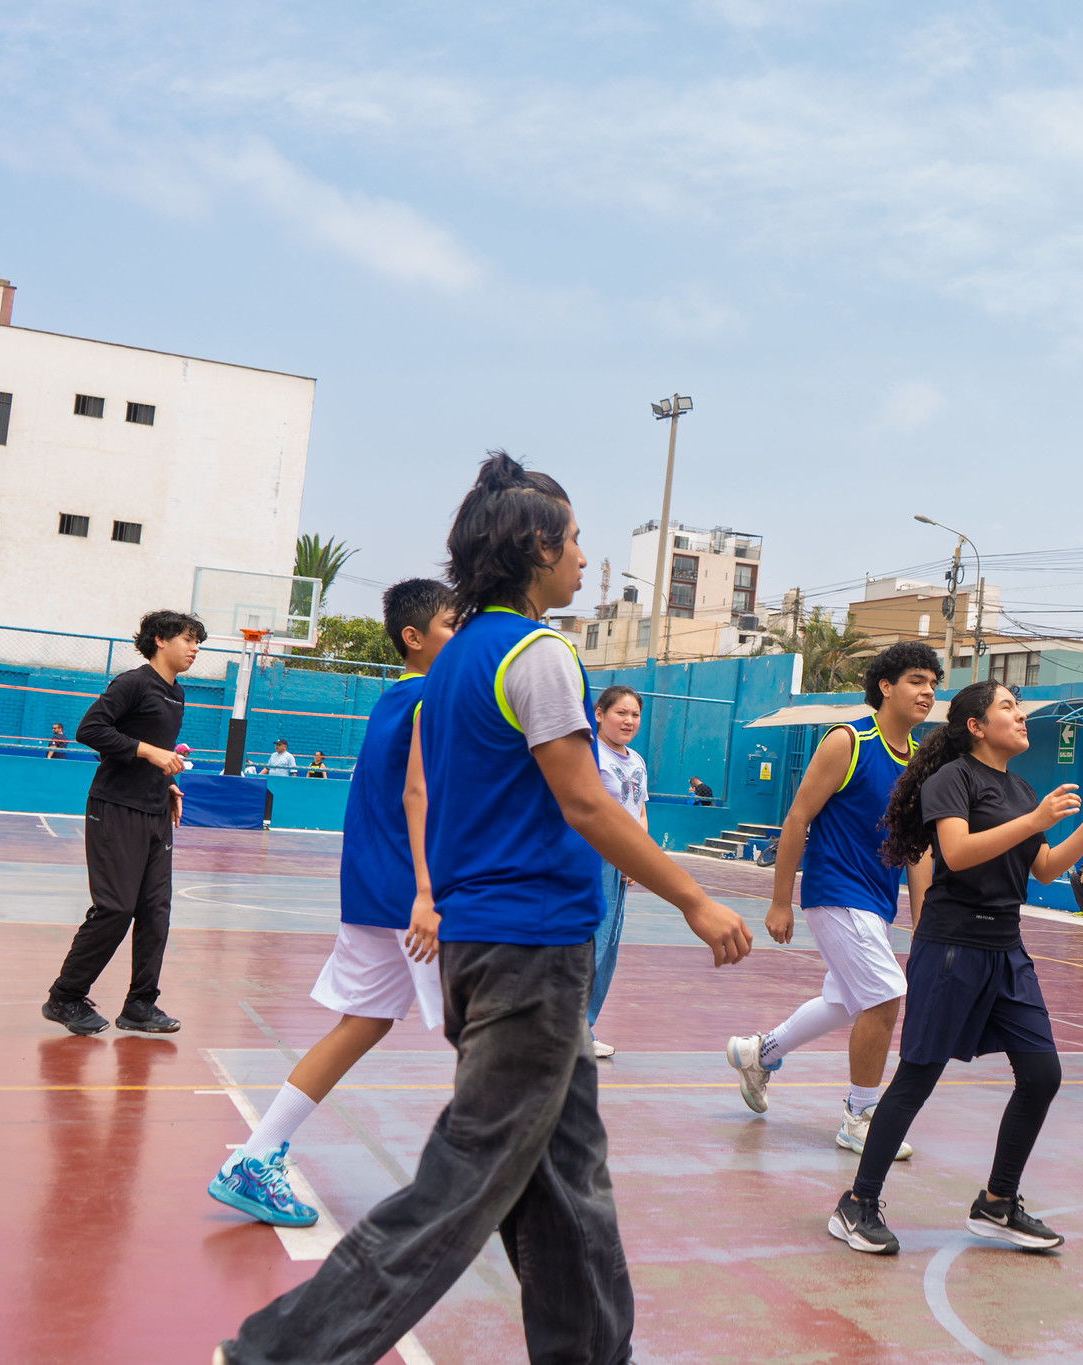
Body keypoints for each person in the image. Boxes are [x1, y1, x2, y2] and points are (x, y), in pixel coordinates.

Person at [219, 451, 751, 1365]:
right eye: (574, 539)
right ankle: (277, 1353)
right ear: (536, 547)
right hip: (527, 948)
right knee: (462, 1181)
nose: (583, 556)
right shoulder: (538, 655)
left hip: (487, 943)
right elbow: (586, 802)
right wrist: (696, 899)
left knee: (567, 1177)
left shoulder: (457, 657)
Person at [828, 679, 1083, 1257]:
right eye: (1008, 707)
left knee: (1042, 1075)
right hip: (952, 946)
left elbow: (1045, 868)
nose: (1021, 716)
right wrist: (1035, 819)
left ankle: (997, 1202)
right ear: (976, 725)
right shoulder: (953, 779)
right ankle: (858, 1202)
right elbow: (958, 852)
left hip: (1007, 949)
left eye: (1019, 708)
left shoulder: (1020, 787)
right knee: (917, 1077)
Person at [208, 579, 456, 1229]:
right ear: (414, 637)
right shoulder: (432, 699)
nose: (462, 638)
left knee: (363, 1023)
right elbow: (421, 797)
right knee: (492, 1027)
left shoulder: (393, 698)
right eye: (452, 626)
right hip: (414, 895)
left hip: (373, 887)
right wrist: (428, 890)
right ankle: (491, 1182)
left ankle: (254, 1157)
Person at [726, 640, 942, 1158]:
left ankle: (760, 1053)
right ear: (885, 686)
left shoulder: (919, 762)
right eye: (916, 680)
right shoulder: (848, 741)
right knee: (885, 996)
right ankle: (860, 1116)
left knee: (844, 1002)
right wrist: (781, 900)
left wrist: (924, 919)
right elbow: (798, 817)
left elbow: (918, 850)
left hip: (876, 901)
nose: (928, 692)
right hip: (835, 891)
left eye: (933, 683)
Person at [41, 609, 205, 1036]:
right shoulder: (132, 683)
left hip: (155, 810)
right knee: (116, 907)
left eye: (197, 642)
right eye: (188, 639)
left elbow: (157, 750)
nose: (195, 649)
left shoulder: (177, 693)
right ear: (160, 640)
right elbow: (90, 730)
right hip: (115, 807)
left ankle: (140, 1005)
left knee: (155, 911)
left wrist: (166, 782)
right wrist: (149, 752)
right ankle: (65, 997)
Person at [589, 683, 649, 1060]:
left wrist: (636, 857)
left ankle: (583, 1027)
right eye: (620, 713)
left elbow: (639, 811)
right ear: (599, 714)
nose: (629, 721)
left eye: (635, 715)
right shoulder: (588, 754)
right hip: (594, 859)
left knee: (608, 950)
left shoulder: (637, 761)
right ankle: (565, 1028)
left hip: (622, 862)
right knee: (589, 945)